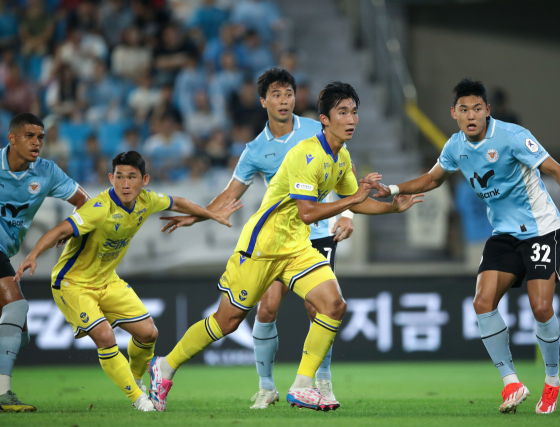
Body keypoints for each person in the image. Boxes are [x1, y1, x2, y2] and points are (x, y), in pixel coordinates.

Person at [148, 80, 423, 412]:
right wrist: (204, 214)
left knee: (333, 305)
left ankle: (303, 385)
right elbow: (308, 211)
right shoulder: (307, 153)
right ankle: (164, 366)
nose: (350, 119)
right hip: (263, 245)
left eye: (354, 112)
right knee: (228, 320)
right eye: (342, 112)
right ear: (325, 119)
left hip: (295, 245)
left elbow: (359, 202)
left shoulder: (341, 154)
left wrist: (393, 207)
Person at [368, 79, 560, 415]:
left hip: (541, 230)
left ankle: (552, 382)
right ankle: (511, 382)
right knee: (482, 301)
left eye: (477, 108)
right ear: (454, 113)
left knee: (540, 308)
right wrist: (392, 188)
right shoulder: (455, 147)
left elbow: (554, 167)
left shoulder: (511, 136)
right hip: (504, 235)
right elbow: (433, 178)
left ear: (488, 110)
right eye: (464, 109)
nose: (471, 115)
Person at [161, 68, 356, 409]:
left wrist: (348, 214)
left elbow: (346, 174)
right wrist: (199, 214)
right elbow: (230, 193)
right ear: (263, 101)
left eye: (289, 94)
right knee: (265, 309)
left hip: (316, 233)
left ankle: (319, 383)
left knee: (321, 307)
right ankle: (267, 386)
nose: (284, 101)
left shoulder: (316, 128)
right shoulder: (255, 150)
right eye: (276, 95)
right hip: (274, 240)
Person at [14, 151, 242, 412]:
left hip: (107, 280)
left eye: (131, 177)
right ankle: (139, 398)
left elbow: (178, 202)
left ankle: (135, 379)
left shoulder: (148, 200)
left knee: (149, 333)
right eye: (119, 177)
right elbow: (61, 229)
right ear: (111, 178)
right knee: (104, 335)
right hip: (73, 283)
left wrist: (210, 215)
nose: (124, 183)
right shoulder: (99, 208)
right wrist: (32, 255)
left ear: (144, 180)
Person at [0, 113, 90, 412]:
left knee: (19, 335)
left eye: (40, 137)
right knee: (16, 306)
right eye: (29, 136)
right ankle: (2, 394)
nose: (37, 142)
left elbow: (87, 204)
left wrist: (71, 226)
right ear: (11, 138)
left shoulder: (47, 172)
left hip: (4, 251)